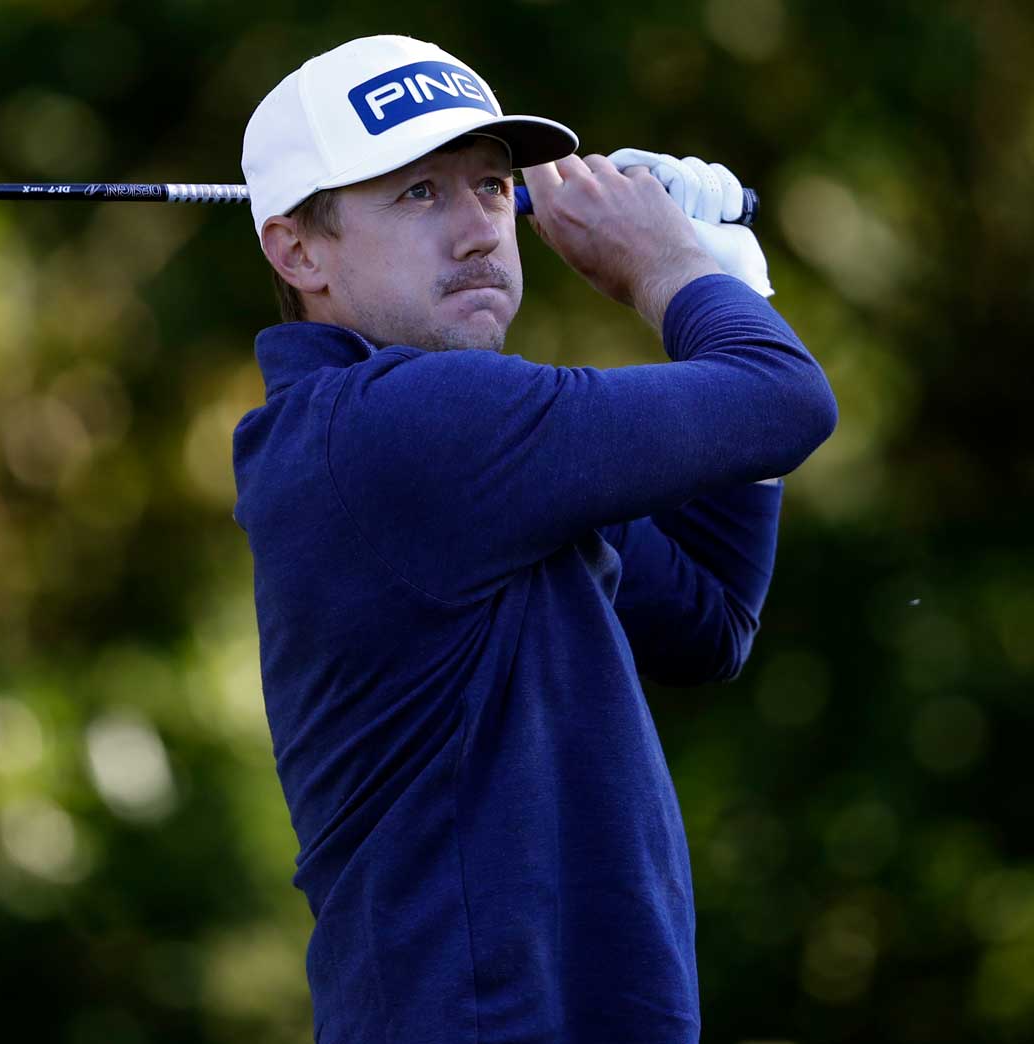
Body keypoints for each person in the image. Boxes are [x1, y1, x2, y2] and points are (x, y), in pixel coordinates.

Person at [230, 35, 836, 1044]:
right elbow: (782, 399)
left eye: (491, 187)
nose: (477, 232)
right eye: (417, 195)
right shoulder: (400, 427)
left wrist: (730, 281)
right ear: (297, 250)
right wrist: (677, 267)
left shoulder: (453, 464)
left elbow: (706, 618)